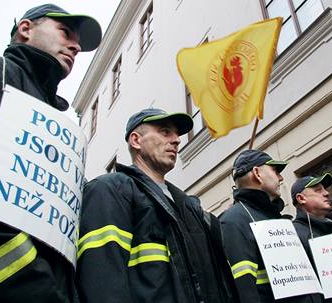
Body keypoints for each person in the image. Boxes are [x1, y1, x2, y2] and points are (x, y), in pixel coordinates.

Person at [0, 4, 101, 302]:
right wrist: (37, 291)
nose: (76, 46)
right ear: (26, 29)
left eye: (77, 42)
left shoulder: (54, 120)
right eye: (65, 32)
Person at [75, 108, 239, 303]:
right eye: (164, 131)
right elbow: (102, 282)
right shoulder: (110, 191)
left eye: (177, 134)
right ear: (136, 140)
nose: (177, 140)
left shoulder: (188, 205)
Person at [219, 149, 320, 302]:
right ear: (257, 173)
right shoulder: (234, 220)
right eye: (275, 170)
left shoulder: (273, 216)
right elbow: (246, 290)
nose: (280, 177)